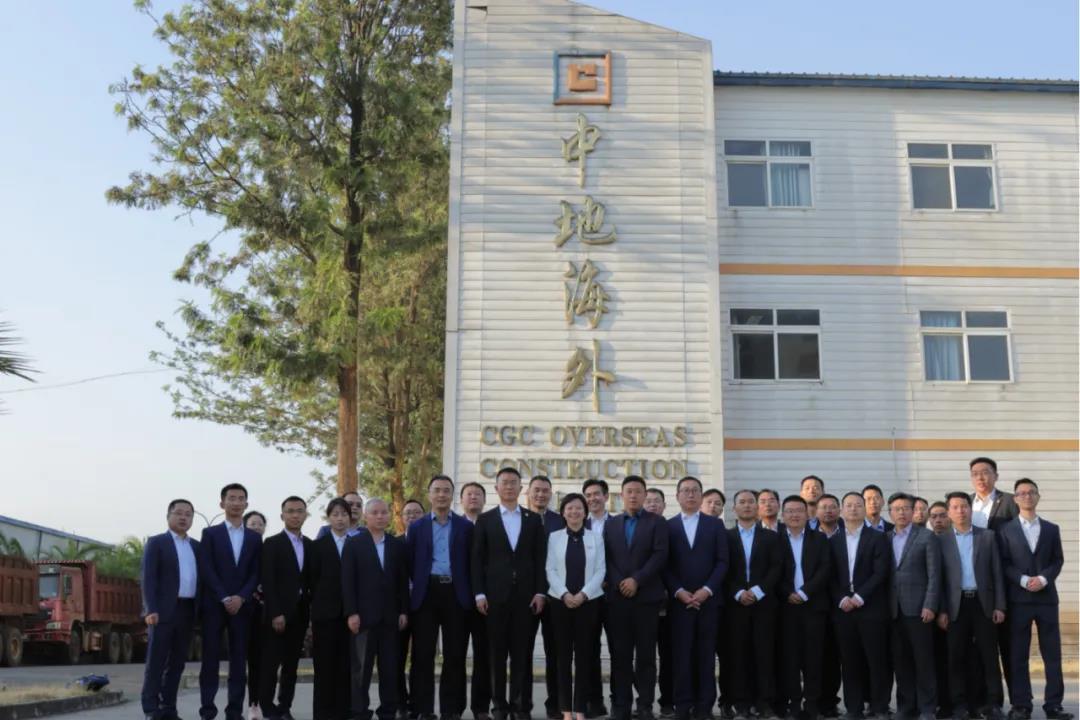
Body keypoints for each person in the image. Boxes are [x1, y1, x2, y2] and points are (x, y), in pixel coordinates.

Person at [472, 467, 549, 720]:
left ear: (520, 488)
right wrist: (479, 594)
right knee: (496, 655)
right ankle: (499, 706)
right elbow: (477, 560)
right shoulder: (486, 520)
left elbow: (540, 559)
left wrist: (540, 592)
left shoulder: (533, 520)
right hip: (494, 598)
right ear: (496, 488)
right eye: (504, 482)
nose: (509, 486)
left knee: (522, 654)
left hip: (526, 598)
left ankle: (521, 706)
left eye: (513, 482)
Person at [998, 479, 1072, 720]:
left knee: (1052, 654)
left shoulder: (1051, 529)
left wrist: (1043, 578)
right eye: (1022, 493)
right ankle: (1022, 705)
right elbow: (1004, 562)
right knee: (1018, 655)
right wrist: (1022, 580)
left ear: (1038, 497)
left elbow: (1057, 560)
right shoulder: (1005, 530)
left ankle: (1054, 705)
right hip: (1018, 600)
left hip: (1046, 599)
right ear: (1015, 499)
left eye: (1031, 492)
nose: (1027, 496)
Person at [407, 476, 474, 720]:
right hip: (426, 593)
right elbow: (410, 563)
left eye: (446, 490)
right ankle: (422, 708)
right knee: (423, 654)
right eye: (437, 490)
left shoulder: (466, 527)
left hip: (456, 593)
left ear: (452, 495)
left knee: (455, 654)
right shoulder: (417, 527)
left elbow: (471, 562)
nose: (442, 495)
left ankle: (451, 709)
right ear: (429, 494)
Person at [603, 475, 669, 720]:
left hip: (647, 599)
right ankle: (621, 705)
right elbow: (607, 557)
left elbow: (660, 555)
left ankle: (644, 705)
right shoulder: (611, 524)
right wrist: (621, 581)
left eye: (638, 491)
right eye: (629, 491)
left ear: (644, 495)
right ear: (621, 495)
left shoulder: (657, 522)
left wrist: (636, 580)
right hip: (618, 599)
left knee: (646, 657)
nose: (633, 495)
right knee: (620, 656)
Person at [937, 492, 1006, 720]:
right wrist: (942, 610)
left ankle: (993, 703)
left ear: (970, 509)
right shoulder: (941, 540)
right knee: (955, 656)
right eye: (955, 507)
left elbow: (997, 573)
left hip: (983, 604)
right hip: (955, 606)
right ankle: (960, 705)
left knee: (989, 655)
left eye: (964, 506)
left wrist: (1000, 606)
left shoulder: (987, 536)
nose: (960, 511)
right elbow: (939, 580)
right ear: (949, 512)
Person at [664, 476, 728, 720]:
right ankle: (682, 705)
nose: (690, 495)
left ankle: (704, 707)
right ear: (677, 496)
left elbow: (722, 562)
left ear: (701, 496)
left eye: (695, 491)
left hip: (708, 602)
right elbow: (664, 564)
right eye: (685, 491)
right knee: (681, 655)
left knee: (706, 655)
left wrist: (706, 590)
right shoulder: (668, 526)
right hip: (679, 602)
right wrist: (678, 591)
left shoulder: (715, 525)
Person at [199, 483, 262, 720]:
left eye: (241, 498)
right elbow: (206, 568)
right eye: (232, 498)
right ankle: (208, 711)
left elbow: (256, 572)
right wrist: (224, 596)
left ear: (246, 504)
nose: (236, 502)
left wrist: (241, 597)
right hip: (214, 606)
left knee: (238, 661)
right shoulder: (210, 534)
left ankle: (234, 712)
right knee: (210, 660)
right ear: (222, 503)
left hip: (242, 607)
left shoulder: (254, 538)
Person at [344, 498, 409, 720]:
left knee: (390, 668)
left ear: (389, 515)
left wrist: (403, 610)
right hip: (363, 618)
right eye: (375, 512)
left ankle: (388, 711)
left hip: (390, 618)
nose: (380, 516)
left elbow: (402, 581)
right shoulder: (354, 544)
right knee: (361, 669)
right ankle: (359, 711)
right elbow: (348, 581)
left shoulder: (396, 545)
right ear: (366, 516)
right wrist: (351, 612)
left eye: (384, 512)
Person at [828, 491, 890, 720]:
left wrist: (860, 597)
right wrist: (842, 598)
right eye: (849, 505)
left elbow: (880, 572)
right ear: (841, 510)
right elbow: (829, 575)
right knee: (849, 661)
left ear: (865, 509)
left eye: (857, 505)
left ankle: (880, 706)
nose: (853, 509)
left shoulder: (878, 538)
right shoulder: (832, 541)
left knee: (876, 660)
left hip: (871, 608)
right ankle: (854, 708)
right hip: (843, 610)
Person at [546, 493, 607, 720]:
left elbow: (601, 570)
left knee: (584, 658)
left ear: (585, 512)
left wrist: (583, 594)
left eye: (579, 508)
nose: (574, 512)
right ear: (563, 512)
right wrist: (564, 594)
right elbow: (550, 569)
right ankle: (566, 710)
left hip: (588, 603)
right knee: (562, 658)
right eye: (570, 508)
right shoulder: (554, 537)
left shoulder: (595, 538)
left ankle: (580, 709)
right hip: (559, 603)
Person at [725, 490, 782, 720]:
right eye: (742, 502)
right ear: (734, 509)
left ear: (757, 508)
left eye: (751, 502)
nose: (747, 505)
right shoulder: (726, 537)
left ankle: (765, 703)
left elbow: (776, 567)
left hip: (764, 604)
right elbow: (723, 568)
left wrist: (757, 591)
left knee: (764, 654)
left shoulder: (771, 537)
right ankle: (741, 704)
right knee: (738, 655)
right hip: (735, 605)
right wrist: (738, 592)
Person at [142, 499, 200, 720]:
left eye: (188, 514)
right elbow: (148, 579)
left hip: (188, 610)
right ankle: (151, 709)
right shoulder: (157, 543)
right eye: (179, 513)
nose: (183, 517)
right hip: (163, 611)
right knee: (156, 662)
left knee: (177, 664)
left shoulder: (197, 547)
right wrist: (150, 609)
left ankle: (169, 708)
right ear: (169, 516)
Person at [968, 456, 1019, 702]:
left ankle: (1019, 703)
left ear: (996, 476)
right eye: (975, 473)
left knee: (1009, 649)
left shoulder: (1009, 502)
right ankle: (985, 702)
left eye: (986, 472)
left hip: (1004, 586)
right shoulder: (966, 503)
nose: (981, 477)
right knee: (981, 651)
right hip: (974, 589)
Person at [886, 493, 940, 720]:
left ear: (913, 511)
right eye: (896, 509)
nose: (901, 512)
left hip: (919, 610)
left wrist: (930, 605)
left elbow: (934, 575)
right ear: (890, 513)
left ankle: (927, 708)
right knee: (901, 662)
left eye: (906, 508)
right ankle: (906, 707)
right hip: (893, 610)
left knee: (923, 661)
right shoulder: (885, 538)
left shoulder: (926, 536)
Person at [776, 496, 830, 720]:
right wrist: (788, 593)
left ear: (808, 514)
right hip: (786, 607)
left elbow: (825, 569)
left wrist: (805, 592)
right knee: (789, 658)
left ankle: (812, 703)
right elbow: (773, 571)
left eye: (799, 510)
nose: (795, 515)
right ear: (783, 515)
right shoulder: (775, 539)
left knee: (814, 658)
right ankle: (794, 703)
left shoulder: (820, 538)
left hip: (813, 606)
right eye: (789, 511)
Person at [258, 496, 312, 720]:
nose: (295, 515)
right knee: (271, 664)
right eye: (290, 511)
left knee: (291, 666)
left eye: (299, 511)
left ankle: (284, 707)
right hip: (278, 615)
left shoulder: (310, 545)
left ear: (305, 515)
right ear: (282, 516)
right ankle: (267, 707)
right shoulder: (272, 544)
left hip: (300, 614)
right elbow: (268, 581)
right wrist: (275, 613)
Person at [309, 498, 352, 720]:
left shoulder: (358, 544)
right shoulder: (317, 546)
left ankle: (343, 711)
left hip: (351, 615)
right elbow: (312, 581)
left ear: (350, 518)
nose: (340, 519)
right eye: (335, 514)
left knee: (346, 666)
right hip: (325, 615)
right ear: (329, 518)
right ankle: (323, 713)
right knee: (324, 666)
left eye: (344, 514)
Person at [526, 476, 565, 720]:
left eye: (545, 491)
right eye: (536, 490)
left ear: (551, 494)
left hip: (555, 597)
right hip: (526, 597)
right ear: (528, 493)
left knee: (556, 654)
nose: (541, 494)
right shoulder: (520, 518)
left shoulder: (560, 520)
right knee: (522, 653)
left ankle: (555, 705)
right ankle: (523, 705)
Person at [459, 481, 491, 720]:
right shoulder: (454, 525)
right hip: (458, 601)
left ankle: (481, 708)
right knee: (455, 657)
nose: (473, 498)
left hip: (485, 602)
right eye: (469, 494)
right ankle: (454, 708)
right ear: (461, 500)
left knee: (484, 657)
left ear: (484, 500)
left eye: (478, 494)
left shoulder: (490, 524)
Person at [582, 478, 613, 719]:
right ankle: (594, 702)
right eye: (588, 495)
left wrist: (607, 579)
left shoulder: (619, 523)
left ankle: (620, 701)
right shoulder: (578, 524)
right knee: (588, 651)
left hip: (614, 596)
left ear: (606, 496)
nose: (592, 498)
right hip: (587, 597)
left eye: (596, 494)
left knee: (619, 650)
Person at [811, 494, 842, 717]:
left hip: (844, 604)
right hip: (816, 604)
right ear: (816, 511)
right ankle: (816, 701)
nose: (828, 511)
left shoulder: (848, 533)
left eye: (832, 507)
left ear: (839, 510)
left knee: (835, 657)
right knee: (817, 655)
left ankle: (831, 701)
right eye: (824, 507)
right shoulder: (808, 534)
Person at [644, 488, 674, 718]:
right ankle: (643, 702)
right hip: (643, 603)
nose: (652, 504)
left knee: (668, 657)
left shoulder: (672, 529)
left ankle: (667, 701)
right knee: (644, 658)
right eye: (649, 501)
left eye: (657, 501)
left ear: (664, 505)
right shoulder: (636, 530)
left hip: (671, 605)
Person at [398, 499, 426, 720]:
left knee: (421, 657)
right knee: (397, 657)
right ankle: (401, 703)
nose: (412, 516)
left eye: (416, 512)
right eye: (407, 513)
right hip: (399, 607)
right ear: (401, 517)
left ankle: (418, 704)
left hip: (424, 606)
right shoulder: (393, 543)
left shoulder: (427, 543)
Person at [926, 501, 952, 719]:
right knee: (936, 660)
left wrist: (945, 609)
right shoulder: (927, 540)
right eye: (933, 516)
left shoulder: (954, 540)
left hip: (955, 610)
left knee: (953, 660)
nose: (938, 520)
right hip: (931, 611)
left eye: (942, 515)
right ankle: (939, 702)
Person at [243, 511, 268, 720]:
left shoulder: (270, 548)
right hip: (242, 610)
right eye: (252, 524)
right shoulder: (240, 550)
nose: (257, 527)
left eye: (260, 524)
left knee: (259, 661)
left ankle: (256, 703)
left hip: (265, 613)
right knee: (242, 661)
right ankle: (241, 705)